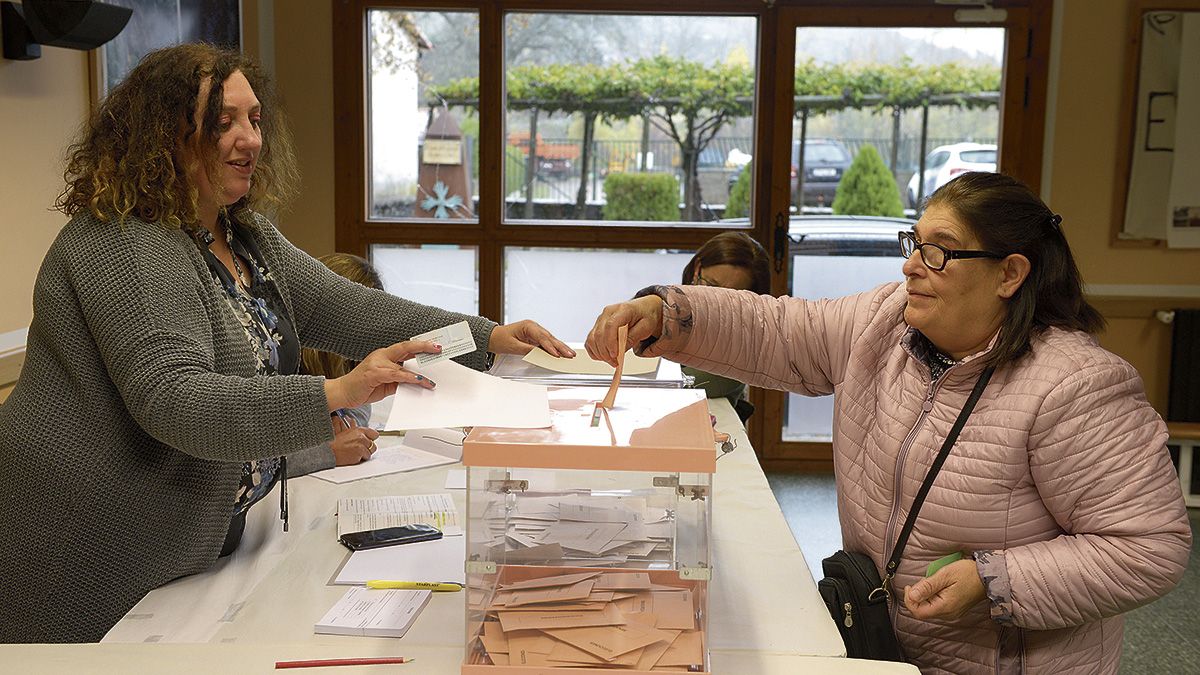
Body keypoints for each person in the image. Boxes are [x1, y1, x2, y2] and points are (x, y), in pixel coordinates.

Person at [0, 44, 571, 643]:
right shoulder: (122, 240)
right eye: (223, 123)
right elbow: (177, 402)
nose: (250, 139)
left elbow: (357, 312)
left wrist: (483, 337)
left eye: (254, 120)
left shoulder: (242, 234)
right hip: (76, 557)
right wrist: (335, 393)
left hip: (179, 557)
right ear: (160, 137)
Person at [586, 172, 1191, 673]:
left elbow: (1149, 548)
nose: (912, 267)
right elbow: (777, 328)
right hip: (889, 643)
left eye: (941, 252)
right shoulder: (887, 322)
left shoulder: (1077, 387)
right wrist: (664, 312)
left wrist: (992, 580)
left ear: (1010, 274)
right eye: (914, 243)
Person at [289, 253, 387, 475]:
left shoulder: (354, 355)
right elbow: (248, 463)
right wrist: (327, 452)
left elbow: (359, 409)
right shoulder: (280, 362)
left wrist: (344, 424)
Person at [679, 231, 769, 421]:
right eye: (710, 285)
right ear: (697, 270)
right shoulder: (670, 303)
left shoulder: (740, 348)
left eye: (729, 298)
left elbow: (683, 385)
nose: (714, 302)